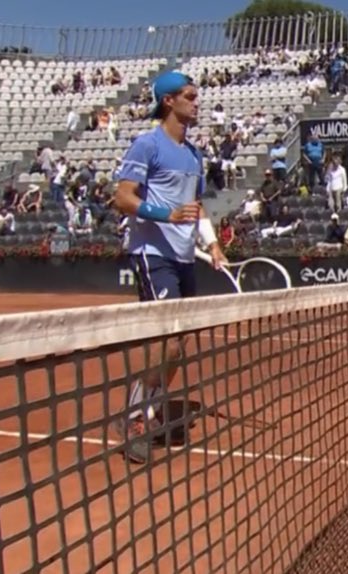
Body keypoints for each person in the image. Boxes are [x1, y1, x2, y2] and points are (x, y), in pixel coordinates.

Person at [112, 71, 228, 464]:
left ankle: (146, 403)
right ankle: (137, 417)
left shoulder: (195, 155)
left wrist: (212, 244)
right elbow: (124, 200)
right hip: (151, 253)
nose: (197, 102)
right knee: (169, 340)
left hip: (183, 256)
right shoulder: (147, 145)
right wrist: (167, 213)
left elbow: (195, 208)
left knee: (181, 342)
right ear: (168, 101)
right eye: (190, 96)